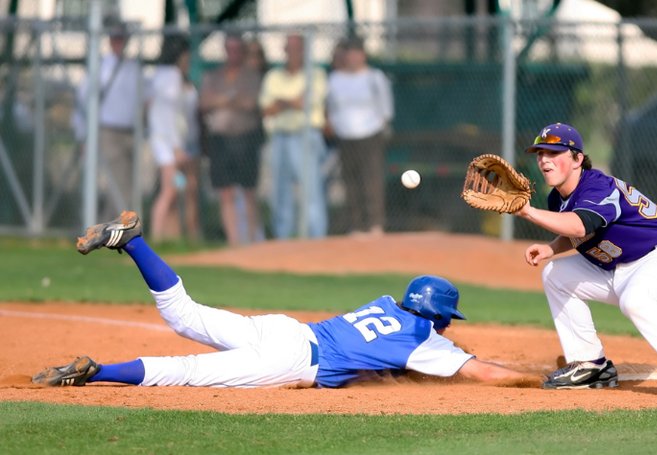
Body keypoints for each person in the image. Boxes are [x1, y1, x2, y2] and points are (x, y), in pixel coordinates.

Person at [31, 211, 531, 389]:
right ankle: (97, 372)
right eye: (446, 320)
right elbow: (482, 371)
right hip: (292, 359)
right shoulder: (425, 341)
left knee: (183, 315)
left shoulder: (385, 304)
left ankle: (133, 241)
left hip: (285, 329)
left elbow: (384, 357)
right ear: (439, 317)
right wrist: (537, 381)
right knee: (184, 370)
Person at [514, 122, 657, 398]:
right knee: (555, 274)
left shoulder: (597, 187)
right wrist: (551, 249)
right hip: (620, 269)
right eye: (540, 153)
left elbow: (582, 225)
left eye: (553, 152)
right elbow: (581, 231)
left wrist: (527, 212)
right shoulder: (557, 199)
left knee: (636, 300)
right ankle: (590, 365)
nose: (544, 159)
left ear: (577, 159)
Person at [71, 19, 146, 219]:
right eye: (115, 38)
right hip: (108, 132)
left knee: (127, 183)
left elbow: (145, 98)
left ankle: (111, 227)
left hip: (131, 131)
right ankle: (115, 228)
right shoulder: (100, 67)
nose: (118, 42)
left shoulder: (134, 68)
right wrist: (83, 134)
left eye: (121, 38)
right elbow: (82, 101)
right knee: (119, 183)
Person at [260, 34, 328, 239]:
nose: (293, 52)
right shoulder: (273, 76)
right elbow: (267, 109)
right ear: (284, 50)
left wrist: (281, 102)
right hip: (280, 136)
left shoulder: (315, 74)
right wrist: (290, 101)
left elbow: (304, 103)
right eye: (289, 48)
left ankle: (316, 238)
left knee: (311, 190)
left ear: (304, 51)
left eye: (297, 48)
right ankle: (283, 239)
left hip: (306, 136)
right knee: (280, 191)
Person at [326, 36, 393, 237]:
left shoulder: (375, 77)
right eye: (350, 53)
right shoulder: (335, 79)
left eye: (357, 53)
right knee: (350, 182)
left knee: (371, 180)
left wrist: (378, 126)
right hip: (345, 136)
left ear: (363, 55)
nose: (353, 57)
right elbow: (330, 108)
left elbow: (386, 109)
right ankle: (357, 226)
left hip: (370, 135)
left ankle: (375, 225)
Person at [200, 34, 262, 246]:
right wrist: (231, 98)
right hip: (220, 141)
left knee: (248, 191)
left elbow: (250, 103)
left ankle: (253, 240)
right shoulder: (214, 75)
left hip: (244, 139)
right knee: (225, 191)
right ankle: (234, 242)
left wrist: (221, 100)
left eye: (237, 49)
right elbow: (205, 102)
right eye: (229, 49)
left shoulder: (251, 76)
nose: (233, 53)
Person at [148, 34, 200, 242]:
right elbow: (170, 116)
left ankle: (171, 236)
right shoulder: (171, 77)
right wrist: (177, 147)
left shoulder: (160, 76)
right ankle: (156, 236)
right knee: (170, 190)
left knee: (179, 187)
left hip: (167, 141)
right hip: (167, 144)